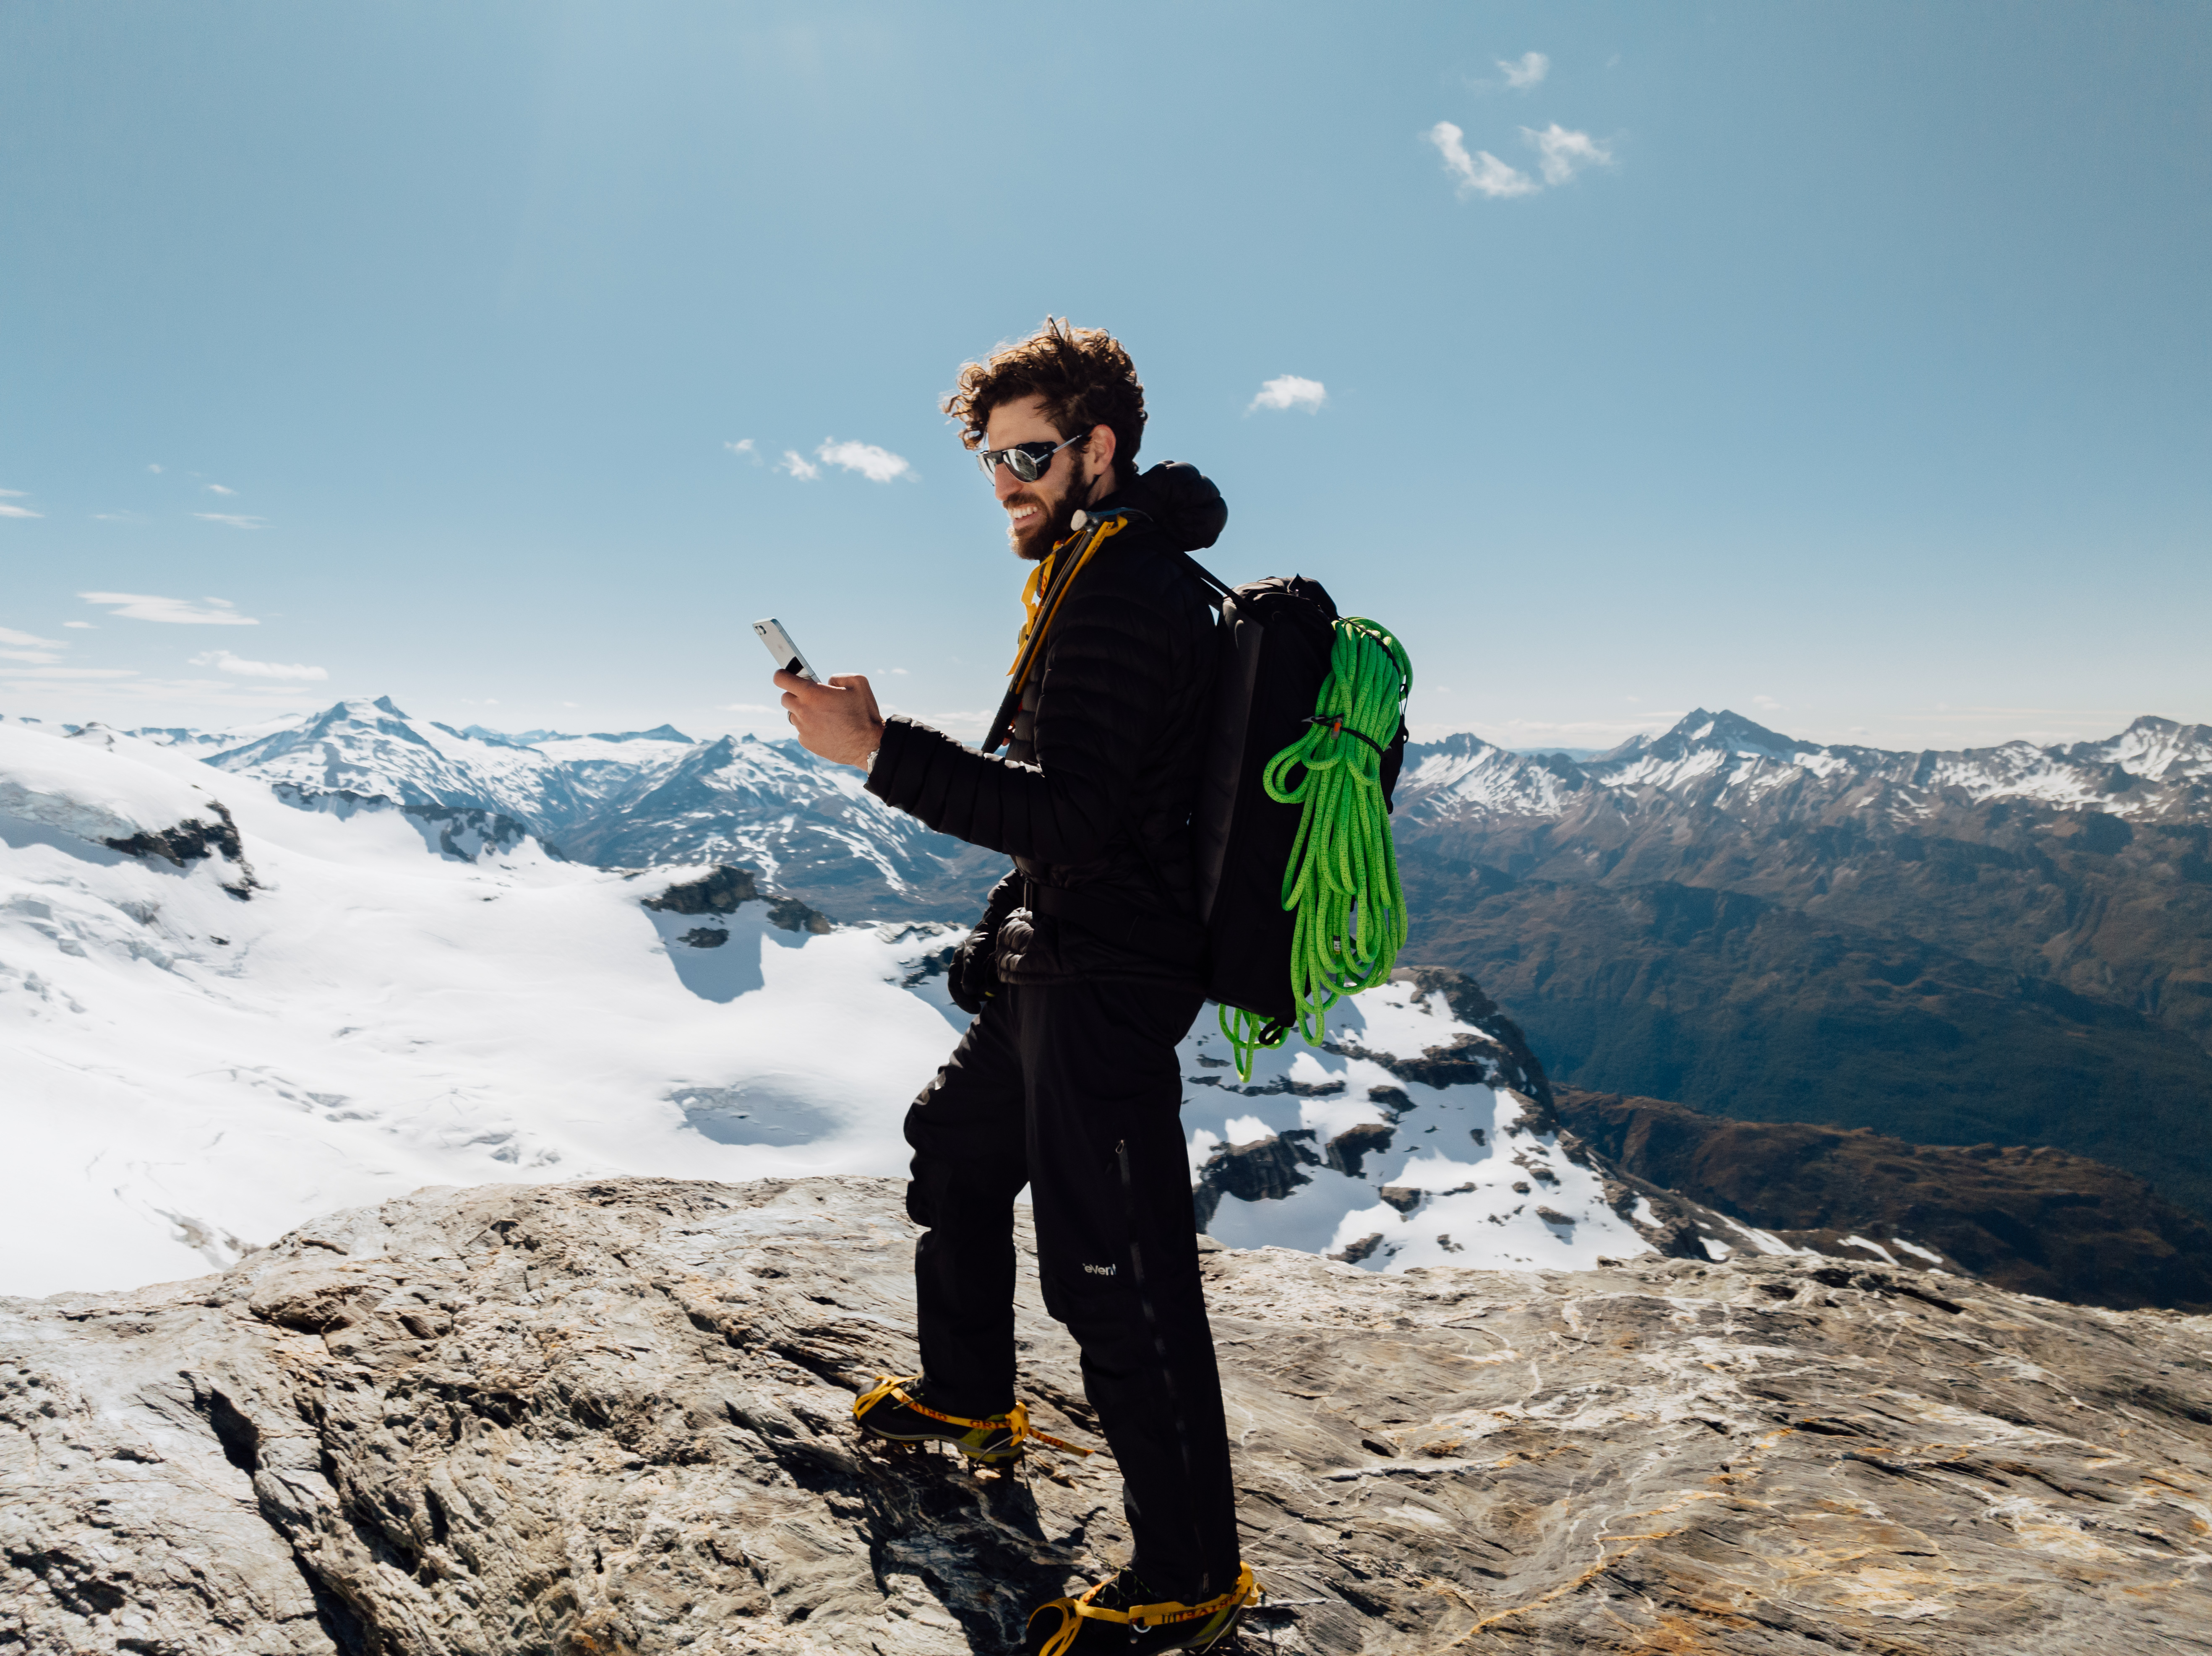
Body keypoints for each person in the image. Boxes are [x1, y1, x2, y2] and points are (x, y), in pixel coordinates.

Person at [776, 318, 1250, 1653]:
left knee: (1118, 1271)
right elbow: (1094, 816)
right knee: (958, 1148)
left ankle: (1188, 1575)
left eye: (1031, 455)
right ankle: (969, 1393)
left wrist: (879, 751)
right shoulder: (1103, 568)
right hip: (1065, 955)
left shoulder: (1127, 586)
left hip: (1106, 983)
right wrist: (1008, 919)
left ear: (1101, 448)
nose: (1009, 485)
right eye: (993, 463)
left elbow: (1084, 811)